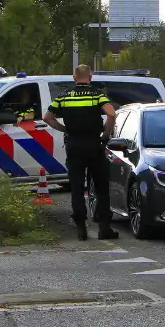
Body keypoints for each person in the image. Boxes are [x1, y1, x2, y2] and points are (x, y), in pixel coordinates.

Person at [42, 65, 118, 241]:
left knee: (76, 187)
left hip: (74, 144)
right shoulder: (97, 94)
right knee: (100, 186)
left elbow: (47, 117)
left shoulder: (64, 96)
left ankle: (81, 229)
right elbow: (111, 114)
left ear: (74, 77)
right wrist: (105, 135)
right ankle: (104, 228)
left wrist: (65, 129)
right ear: (90, 77)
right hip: (94, 144)